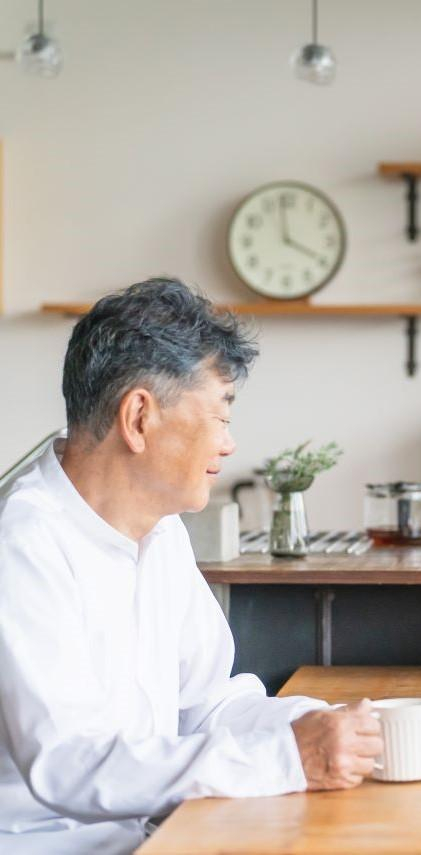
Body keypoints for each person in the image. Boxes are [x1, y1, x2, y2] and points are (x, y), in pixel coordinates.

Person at [0, 279, 384, 854]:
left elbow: (208, 706)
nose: (229, 444)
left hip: (158, 836)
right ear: (139, 417)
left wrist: (325, 724)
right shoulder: (22, 543)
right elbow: (68, 764)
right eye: (221, 416)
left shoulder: (160, 531)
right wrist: (288, 756)